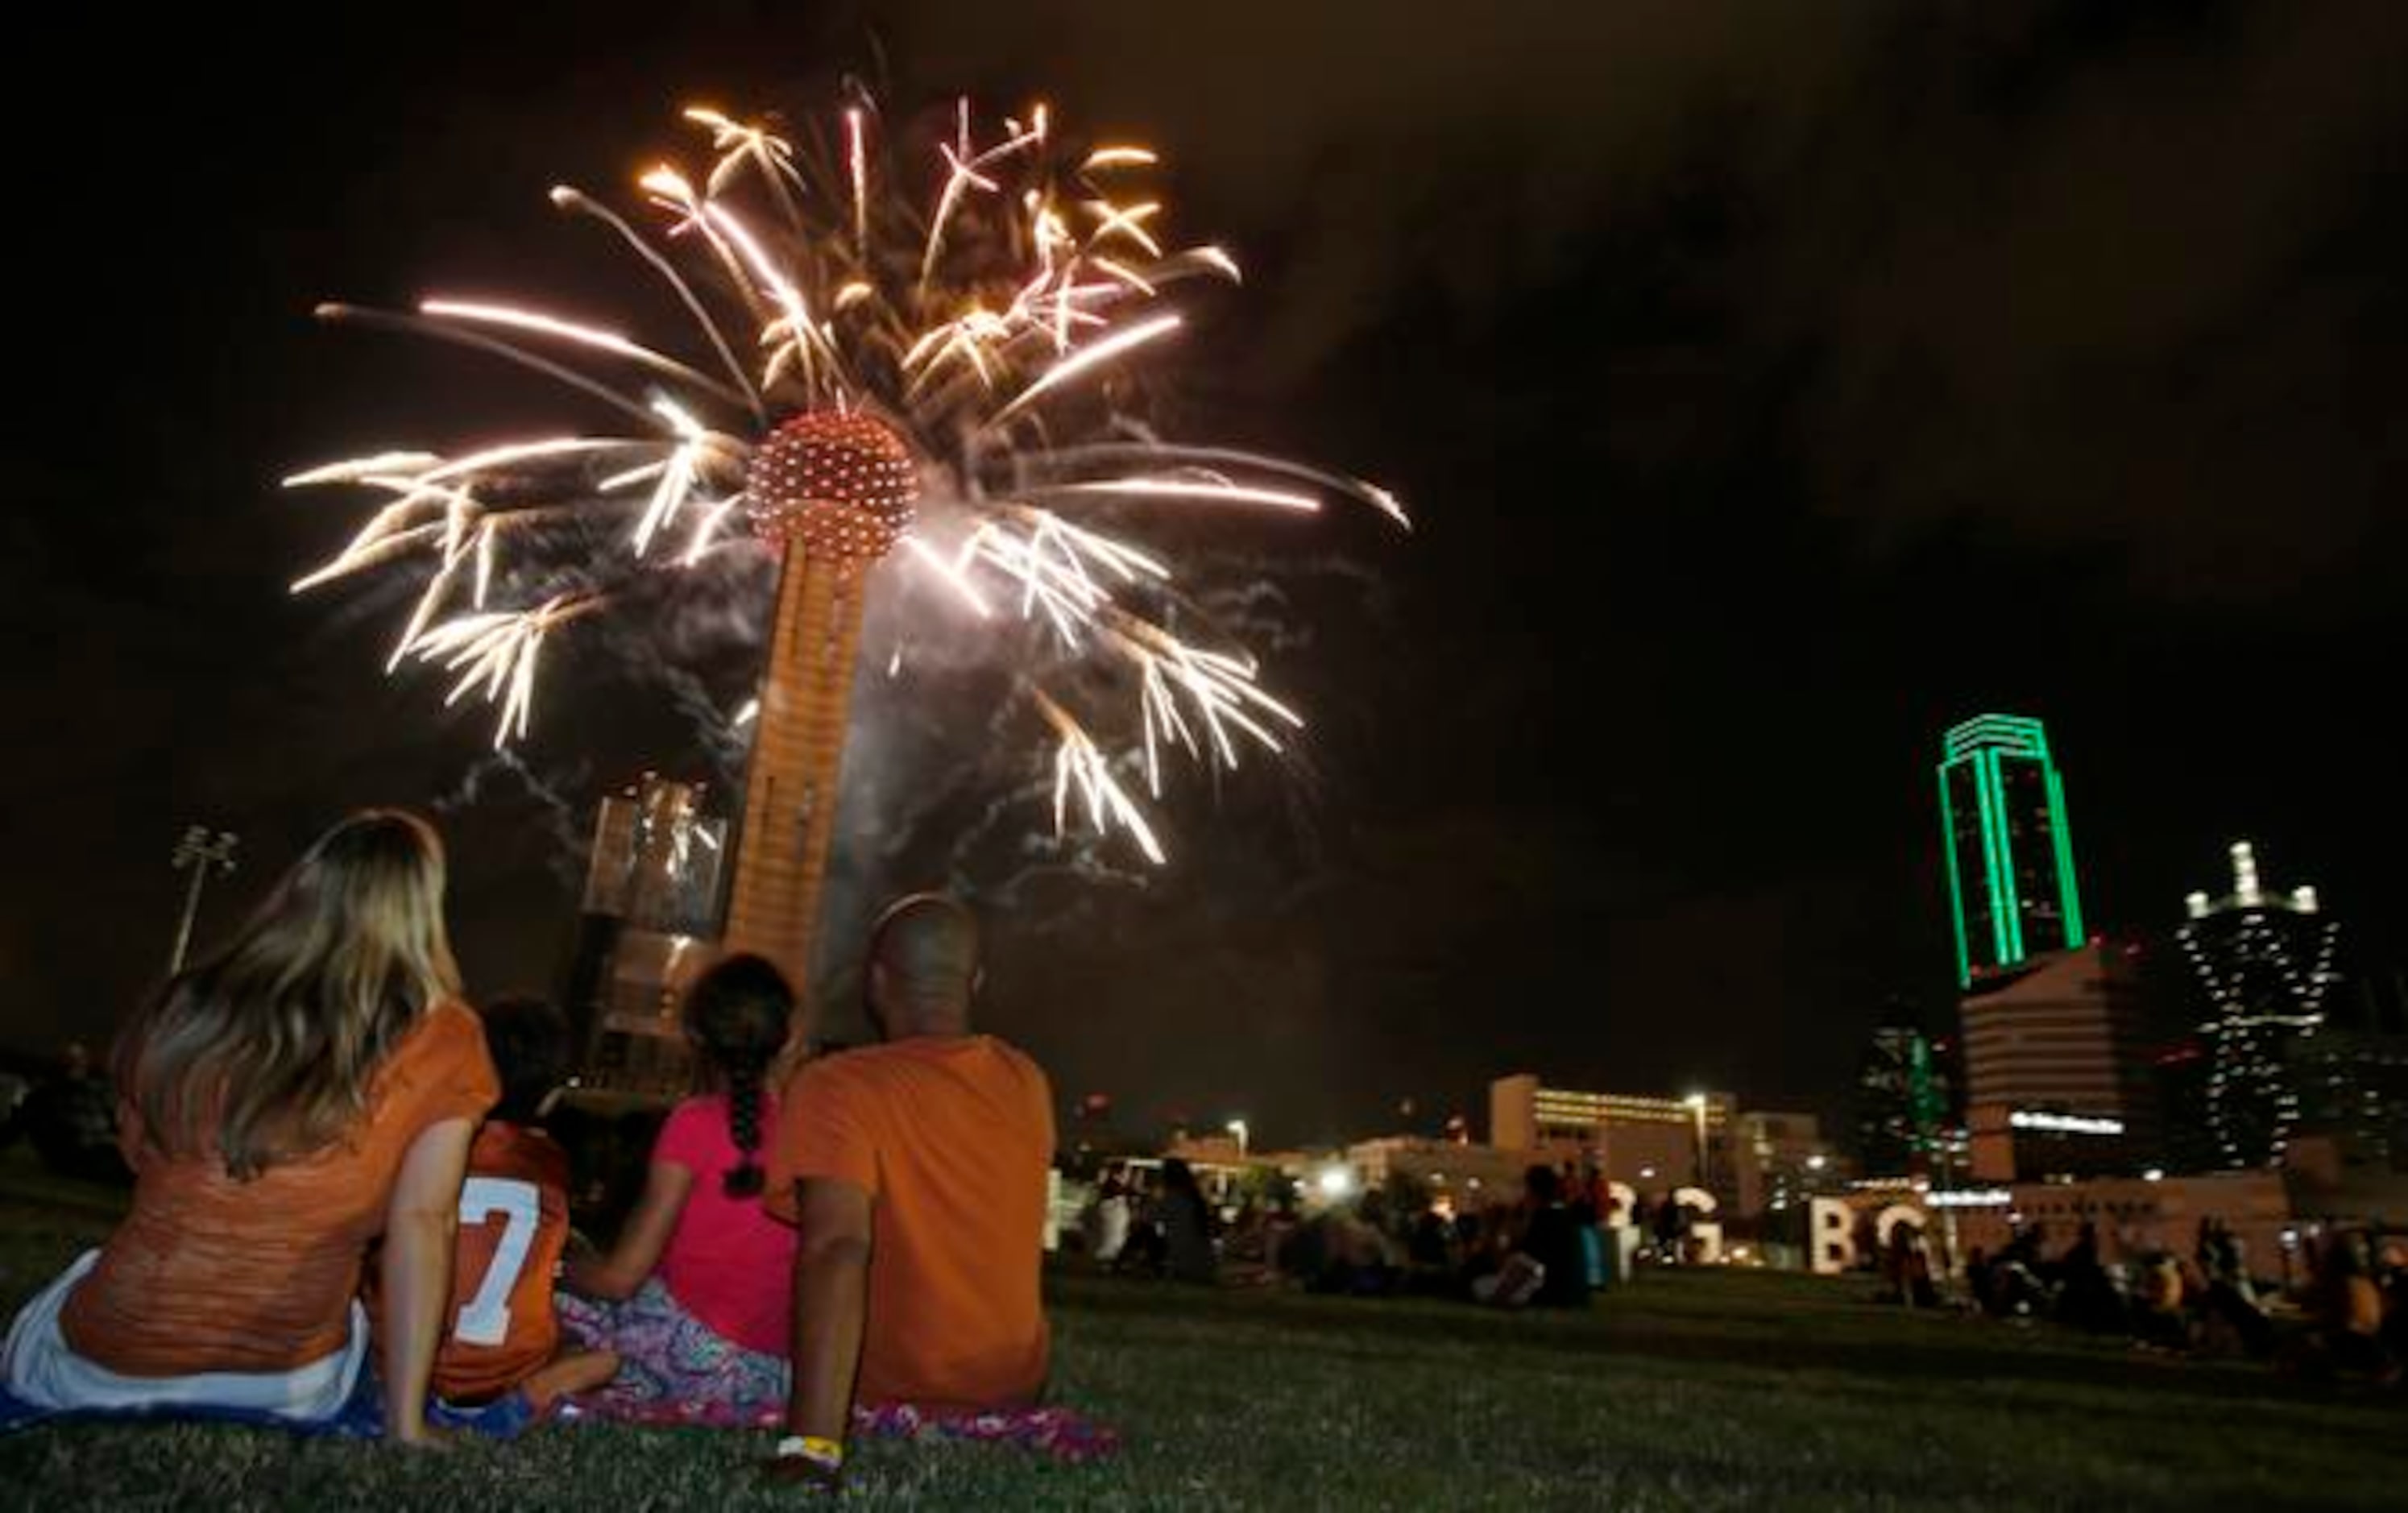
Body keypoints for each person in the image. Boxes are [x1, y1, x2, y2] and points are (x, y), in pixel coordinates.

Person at [0, 810, 496, 1443]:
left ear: (305, 887)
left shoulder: (190, 1001)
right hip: (283, 1384)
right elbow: (422, 1223)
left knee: (75, 1284)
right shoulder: (447, 1040)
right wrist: (405, 1424)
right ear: (425, 906)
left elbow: (139, 1151)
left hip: (94, 1367)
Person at [766, 894, 1053, 1490]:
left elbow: (836, 1247)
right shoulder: (1025, 1079)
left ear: (875, 981)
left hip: (890, 1392)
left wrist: (813, 1444)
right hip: (1010, 1391)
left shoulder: (838, 1086)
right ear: (974, 981)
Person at [561, 954, 798, 1422]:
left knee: (551, 1308)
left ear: (693, 1038)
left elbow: (619, 1279)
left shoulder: (693, 1123)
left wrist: (552, 1266)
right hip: (774, 1374)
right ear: (789, 1041)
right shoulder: (809, 1127)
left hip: (693, 1354)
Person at [390, 997, 616, 1413]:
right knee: (601, 1351)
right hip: (508, 1375)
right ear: (549, 1100)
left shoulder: (426, 1142)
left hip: (406, 1365)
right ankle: (524, 1399)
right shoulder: (552, 1164)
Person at [1154, 1158, 1219, 1284]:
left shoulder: (1172, 1197)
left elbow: (1150, 1220)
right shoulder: (1195, 1198)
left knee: (1147, 1232)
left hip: (1183, 1263)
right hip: (1204, 1264)